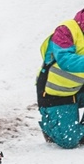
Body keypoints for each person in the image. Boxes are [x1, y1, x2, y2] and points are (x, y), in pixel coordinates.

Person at [36, 9, 84, 149]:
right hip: (55, 93)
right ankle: (51, 127)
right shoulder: (66, 30)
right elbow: (65, 61)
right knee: (68, 141)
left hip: (78, 89)